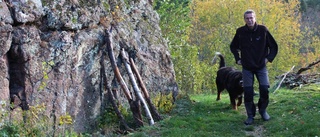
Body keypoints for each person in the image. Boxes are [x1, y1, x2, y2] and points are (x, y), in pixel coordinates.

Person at [230, 9, 278, 125]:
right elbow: (233, 46)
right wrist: (238, 59)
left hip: (261, 66)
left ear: (255, 18)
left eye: (251, 18)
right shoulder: (240, 32)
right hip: (247, 67)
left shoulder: (263, 30)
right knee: (248, 91)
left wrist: (268, 59)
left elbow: (274, 47)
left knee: (264, 89)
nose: (250, 20)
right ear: (244, 20)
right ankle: (250, 115)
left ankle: (262, 110)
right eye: (247, 18)